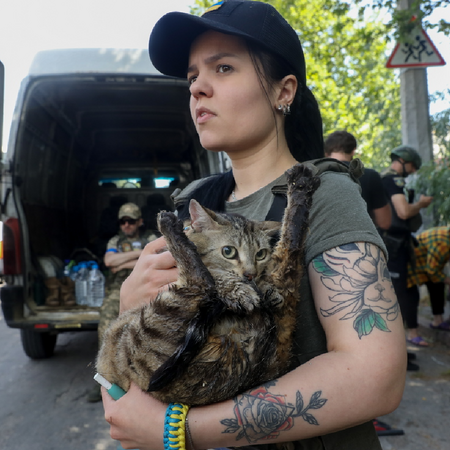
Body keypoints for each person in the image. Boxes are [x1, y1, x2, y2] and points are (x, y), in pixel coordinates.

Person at [101, 2, 407, 449]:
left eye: (223, 68)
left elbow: (375, 375)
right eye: (191, 77)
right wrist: (132, 301)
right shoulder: (194, 204)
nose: (198, 88)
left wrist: (179, 431)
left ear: (283, 91)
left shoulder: (321, 193)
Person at [87, 202, 158, 402]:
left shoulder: (150, 238)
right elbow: (110, 263)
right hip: (118, 288)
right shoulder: (115, 240)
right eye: (123, 221)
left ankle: (148, 380)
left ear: (140, 222)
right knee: (106, 329)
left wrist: (123, 261)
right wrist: (141, 254)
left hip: (145, 285)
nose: (126, 225)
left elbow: (156, 260)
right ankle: (103, 380)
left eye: (131, 221)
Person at [380, 145, 433, 348]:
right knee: (398, 293)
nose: (412, 171)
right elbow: (402, 212)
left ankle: (406, 338)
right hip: (393, 245)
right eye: (412, 167)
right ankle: (396, 347)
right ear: (404, 162)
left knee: (406, 290)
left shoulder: (386, 179)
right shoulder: (393, 180)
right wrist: (420, 204)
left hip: (397, 244)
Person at [324, 130, 391, 230]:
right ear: (353, 151)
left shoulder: (315, 176)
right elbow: (385, 222)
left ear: (326, 153)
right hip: (361, 240)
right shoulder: (370, 176)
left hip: (324, 242)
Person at [407, 226, 450, 331]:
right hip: (412, 262)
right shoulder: (443, 244)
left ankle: (437, 321)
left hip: (427, 261)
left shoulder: (446, 235)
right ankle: (411, 329)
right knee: (411, 295)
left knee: (438, 284)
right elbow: (432, 271)